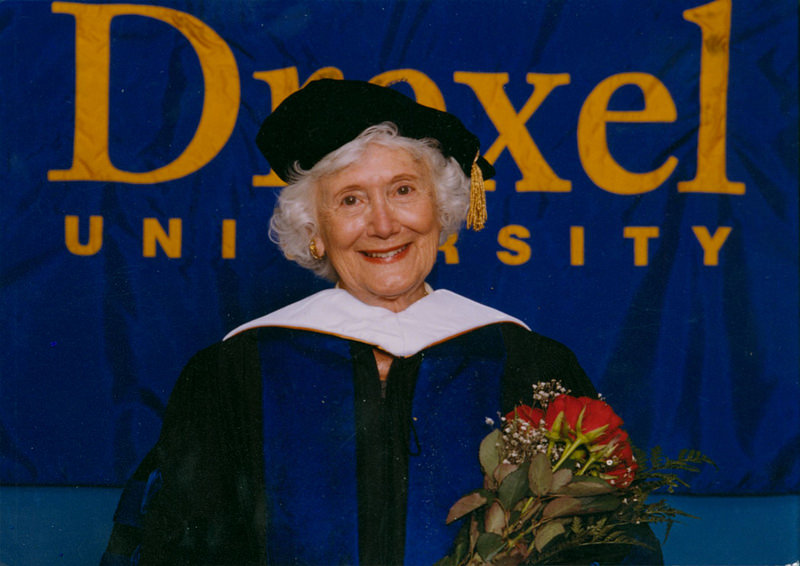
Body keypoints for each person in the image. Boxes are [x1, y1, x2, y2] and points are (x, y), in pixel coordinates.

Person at [101, 79, 662, 565]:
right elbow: (170, 544)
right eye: (350, 200)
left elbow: (607, 545)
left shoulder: (527, 360)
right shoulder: (235, 371)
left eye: (403, 190)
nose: (384, 224)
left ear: (439, 210)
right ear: (314, 230)